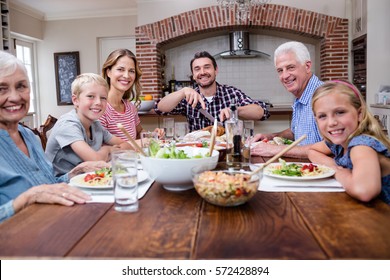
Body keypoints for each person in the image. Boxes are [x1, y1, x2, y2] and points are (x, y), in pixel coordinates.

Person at [0, 51, 108, 223]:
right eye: (1, 89)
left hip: (50, 223)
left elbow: (48, 183)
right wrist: (27, 198)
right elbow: (36, 194)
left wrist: (74, 173)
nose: (14, 97)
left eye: (21, 86)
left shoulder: (28, 135)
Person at [308, 80, 390, 204]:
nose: (331, 123)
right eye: (322, 116)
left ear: (359, 114)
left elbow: (364, 191)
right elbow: (312, 151)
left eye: (340, 112)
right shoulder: (340, 144)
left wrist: (338, 173)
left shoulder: (361, 145)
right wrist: (332, 166)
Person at [155, 51, 270, 132]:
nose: (202, 72)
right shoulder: (188, 98)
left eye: (207, 67)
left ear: (216, 70)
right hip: (198, 153)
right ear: (193, 75)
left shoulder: (231, 93)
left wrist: (235, 110)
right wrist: (182, 91)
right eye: (197, 69)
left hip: (227, 152)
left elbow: (262, 111)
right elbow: (159, 108)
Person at [45, 73, 132, 176]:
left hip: (85, 178)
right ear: (75, 100)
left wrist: (104, 154)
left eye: (103, 98)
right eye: (91, 96)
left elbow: (127, 146)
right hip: (59, 183)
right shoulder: (68, 125)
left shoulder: (96, 124)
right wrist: (107, 149)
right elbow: (96, 160)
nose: (98, 102)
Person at [251, 41, 323, 158]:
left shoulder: (323, 96)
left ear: (307, 66)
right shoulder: (301, 94)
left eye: (290, 67)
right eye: (280, 70)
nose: (285, 76)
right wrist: (271, 136)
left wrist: (276, 150)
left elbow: (329, 147)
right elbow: (297, 131)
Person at [99, 49, 164, 142]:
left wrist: (152, 135)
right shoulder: (101, 108)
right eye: (120, 69)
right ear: (108, 72)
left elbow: (139, 132)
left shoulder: (129, 107)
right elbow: (99, 146)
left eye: (131, 71)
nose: (126, 75)